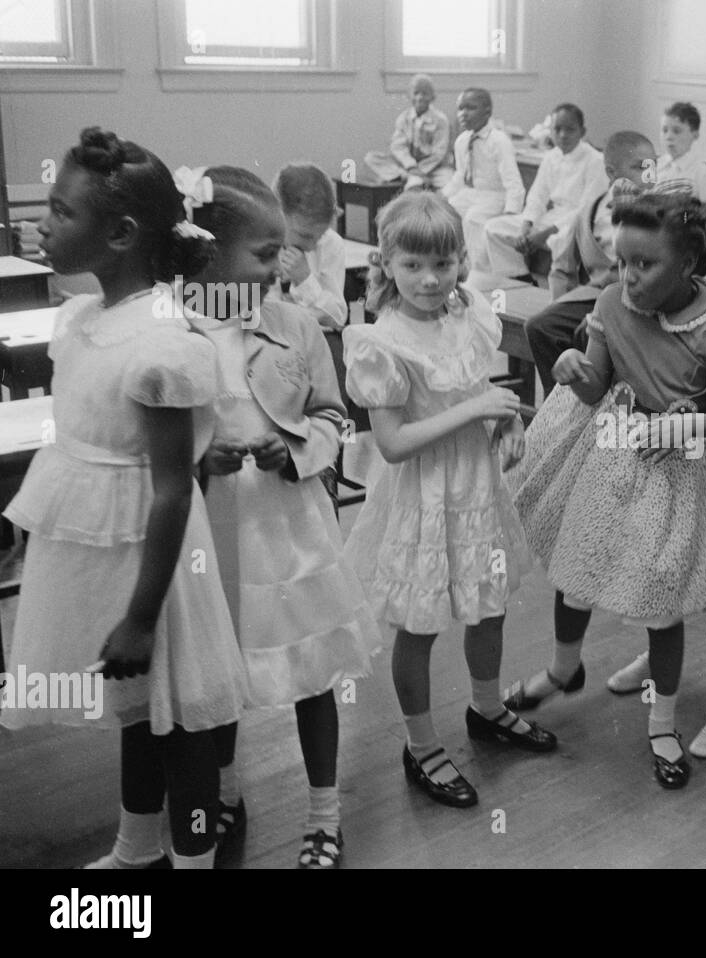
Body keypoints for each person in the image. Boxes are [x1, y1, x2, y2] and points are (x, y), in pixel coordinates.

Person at [1, 128, 246, 869]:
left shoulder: (164, 344)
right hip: (103, 556)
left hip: (156, 570)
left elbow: (173, 492)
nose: (41, 225)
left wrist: (141, 617)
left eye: (61, 212)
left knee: (180, 725)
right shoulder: (81, 319)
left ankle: (197, 858)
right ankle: (136, 848)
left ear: (120, 234)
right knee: (136, 711)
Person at [504, 193, 706, 783]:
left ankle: (662, 722)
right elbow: (598, 388)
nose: (628, 276)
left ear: (689, 263)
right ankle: (563, 667)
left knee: (662, 596)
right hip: (617, 453)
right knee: (577, 563)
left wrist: (688, 423)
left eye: (644, 265)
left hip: (686, 467)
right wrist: (574, 368)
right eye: (621, 261)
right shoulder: (610, 302)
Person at [189, 166, 381, 867]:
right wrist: (195, 458)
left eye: (284, 253)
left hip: (289, 527)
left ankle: (324, 813)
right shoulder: (178, 328)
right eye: (266, 255)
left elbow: (336, 416)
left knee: (312, 672)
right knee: (219, 670)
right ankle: (224, 790)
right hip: (210, 532)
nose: (283, 268)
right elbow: (154, 440)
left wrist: (296, 444)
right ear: (206, 253)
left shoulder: (297, 324)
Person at [343, 191, 555, 811]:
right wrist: (477, 411)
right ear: (386, 264)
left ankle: (487, 708)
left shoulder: (468, 313)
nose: (430, 280)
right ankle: (420, 744)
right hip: (422, 497)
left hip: (476, 486)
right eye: (412, 266)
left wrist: (507, 424)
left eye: (443, 263)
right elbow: (392, 444)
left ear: (462, 260)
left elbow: (483, 390)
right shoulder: (381, 341)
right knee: (420, 621)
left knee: (488, 607)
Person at [526, 131, 658, 397]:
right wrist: (558, 301)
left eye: (652, 166)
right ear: (611, 171)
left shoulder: (661, 211)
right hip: (594, 297)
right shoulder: (588, 212)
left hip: (645, 302)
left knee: (587, 331)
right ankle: (561, 399)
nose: (649, 175)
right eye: (638, 167)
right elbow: (562, 268)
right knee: (540, 325)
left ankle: (600, 398)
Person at [484, 103, 606, 280]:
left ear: (582, 131)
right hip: (552, 218)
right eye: (557, 129)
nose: (563, 135)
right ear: (550, 131)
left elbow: (586, 209)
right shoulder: (551, 157)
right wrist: (527, 226)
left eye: (570, 129)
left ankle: (561, 285)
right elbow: (537, 196)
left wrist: (545, 233)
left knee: (562, 239)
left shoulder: (595, 160)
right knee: (494, 227)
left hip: (577, 223)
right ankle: (519, 276)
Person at [442, 88, 526, 273]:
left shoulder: (499, 141)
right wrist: (442, 196)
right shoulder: (462, 141)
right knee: (449, 211)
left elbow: (513, 182)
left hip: (495, 195)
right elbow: (460, 176)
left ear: (487, 111)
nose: (463, 114)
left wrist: (512, 213)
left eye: (470, 108)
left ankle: (480, 271)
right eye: (460, 108)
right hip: (473, 193)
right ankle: (457, 265)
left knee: (474, 218)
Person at [266, 162, 347, 330]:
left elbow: (338, 318)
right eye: (304, 235)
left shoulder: (331, 243)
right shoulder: (260, 242)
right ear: (277, 213)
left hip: (315, 337)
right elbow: (263, 312)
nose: (311, 247)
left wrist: (304, 280)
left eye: (320, 235)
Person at [364, 74, 454, 191]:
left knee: (449, 182)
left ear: (432, 97)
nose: (420, 97)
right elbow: (398, 146)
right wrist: (411, 166)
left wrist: (421, 170)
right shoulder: (404, 118)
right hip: (409, 167)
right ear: (409, 96)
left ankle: (413, 178)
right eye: (416, 93)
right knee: (371, 158)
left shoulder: (440, 120)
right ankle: (408, 176)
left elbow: (439, 152)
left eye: (425, 94)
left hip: (434, 169)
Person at [656, 101, 706, 202]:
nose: (669, 137)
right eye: (664, 130)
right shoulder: (655, 166)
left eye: (677, 131)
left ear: (694, 135)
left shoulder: (703, 172)